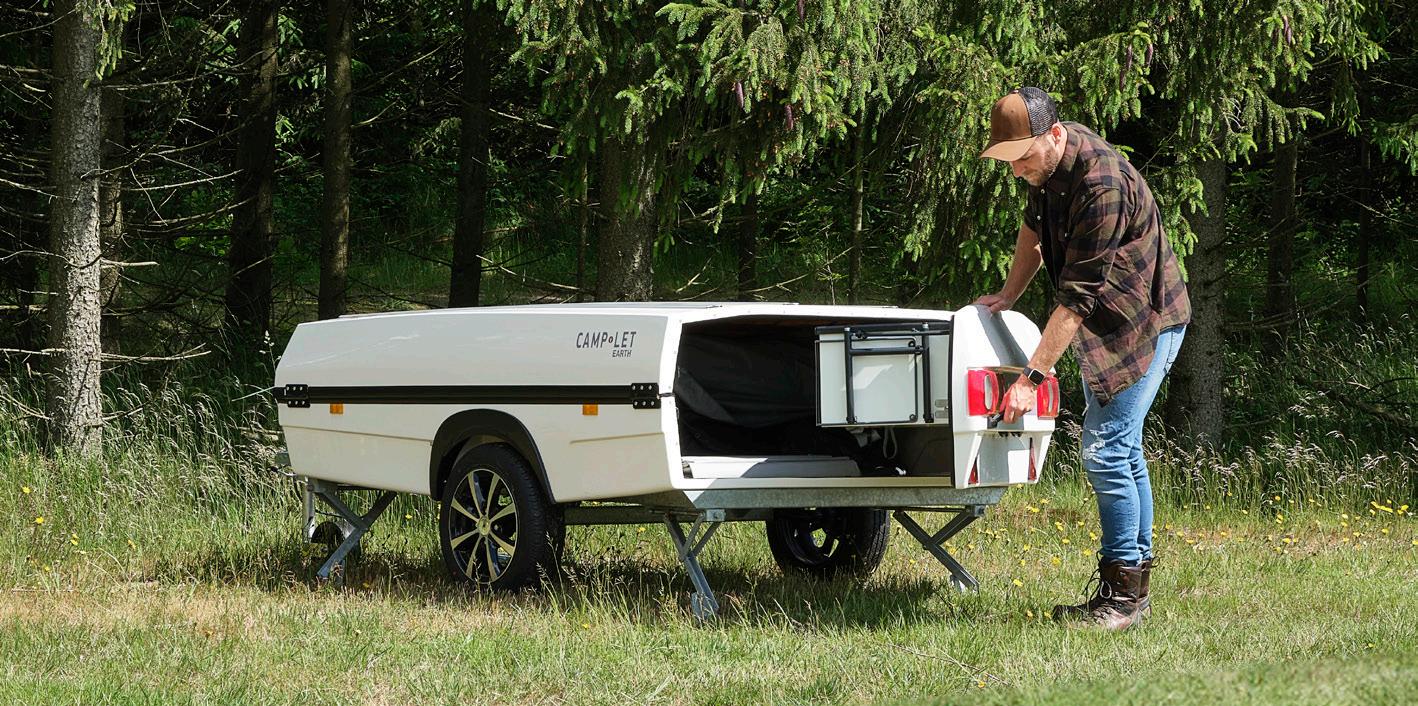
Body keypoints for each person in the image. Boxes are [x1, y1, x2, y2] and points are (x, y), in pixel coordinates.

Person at [975, 87, 1191, 630]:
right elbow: (1033, 232)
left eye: (1023, 157)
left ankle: (1122, 599)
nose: (1017, 170)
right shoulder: (1047, 169)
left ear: (1054, 135)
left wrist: (1030, 378)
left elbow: (1076, 300)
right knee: (1121, 448)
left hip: (1147, 321)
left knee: (1105, 449)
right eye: (1008, 161)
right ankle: (1133, 588)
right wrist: (1009, 295)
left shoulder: (1100, 183)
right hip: (1111, 321)